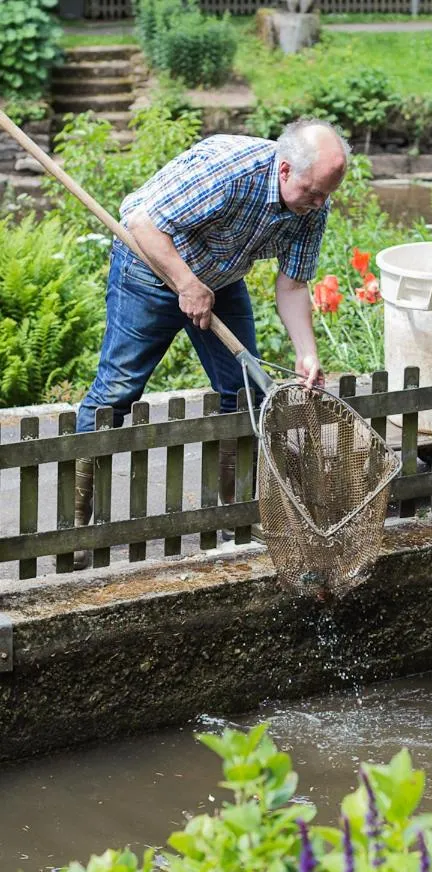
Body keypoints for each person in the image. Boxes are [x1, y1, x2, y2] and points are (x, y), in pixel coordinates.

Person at [73, 118, 351, 567]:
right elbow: (142, 223)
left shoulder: (312, 204)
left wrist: (307, 352)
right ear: (284, 170)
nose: (318, 203)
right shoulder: (229, 171)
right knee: (117, 391)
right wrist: (186, 284)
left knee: (244, 392)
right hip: (148, 265)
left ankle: (235, 517)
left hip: (220, 277)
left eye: (325, 194)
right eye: (312, 192)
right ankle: (74, 526)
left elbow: (293, 284)